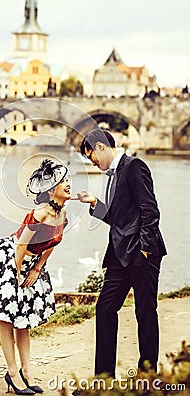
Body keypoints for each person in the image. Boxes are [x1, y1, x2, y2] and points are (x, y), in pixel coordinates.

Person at [0, 159, 71, 395]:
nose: (69, 185)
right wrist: (17, 273)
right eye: (64, 182)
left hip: (31, 263)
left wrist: (38, 268)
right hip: (10, 260)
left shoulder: (62, 213)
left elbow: (53, 242)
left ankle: (27, 371)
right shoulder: (38, 214)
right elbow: (20, 246)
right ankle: (12, 373)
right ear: (51, 189)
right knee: (8, 317)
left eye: (68, 180)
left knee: (24, 320)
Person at [75, 129, 167, 378]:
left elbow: (150, 211)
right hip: (119, 254)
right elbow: (120, 218)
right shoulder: (112, 175)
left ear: (100, 147)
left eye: (91, 155)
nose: (91, 161)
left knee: (145, 312)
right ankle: (103, 380)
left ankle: (146, 377)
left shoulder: (135, 166)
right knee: (105, 309)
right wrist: (95, 203)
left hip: (141, 252)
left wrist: (146, 250)